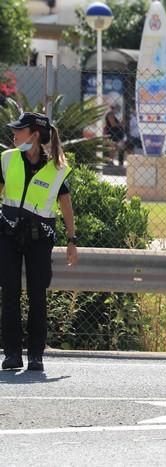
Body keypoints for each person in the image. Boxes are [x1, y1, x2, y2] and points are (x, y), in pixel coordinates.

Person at [0, 112, 78, 371]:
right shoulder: (8, 159)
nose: (14, 134)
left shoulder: (56, 169)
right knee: (10, 293)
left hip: (39, 238)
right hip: (8, 234)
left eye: (19, 130)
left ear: (33, 134)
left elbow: (65, 202)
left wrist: (71, 239)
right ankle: (11, 353)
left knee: (37, 296)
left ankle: (35, 356)